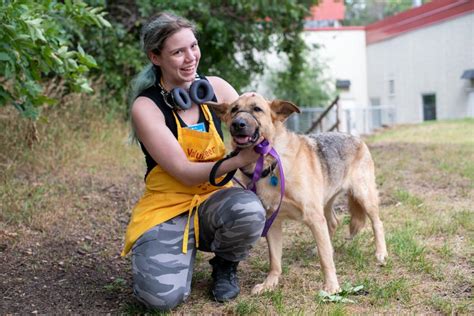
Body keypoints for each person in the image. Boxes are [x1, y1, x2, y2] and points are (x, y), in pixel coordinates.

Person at [121, 12, 266, 311]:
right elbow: (185, 173)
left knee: (249, 209)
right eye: (177, 52)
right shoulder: (146, 106)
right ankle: (168, 255)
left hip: (214, 200)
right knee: (160, 301)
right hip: (167, 206)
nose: (190, 58)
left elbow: (256, 123)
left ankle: (224, 264)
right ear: (155, 56)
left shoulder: (218, 89)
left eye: (193, 46)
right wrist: (237, 160)